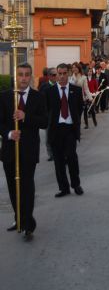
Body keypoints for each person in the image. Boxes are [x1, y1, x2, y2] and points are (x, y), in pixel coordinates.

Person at [0, 63, 48, 239]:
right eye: (20, 74)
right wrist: (9, 133)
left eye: (27, 74)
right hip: (9, 150)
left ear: (31, 76)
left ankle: (28, 223)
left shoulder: (38, 97)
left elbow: (44, 122)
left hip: (28, 150)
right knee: (13, 187)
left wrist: (26, 116)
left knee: (27, 186)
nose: (23, 78)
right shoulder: (4, 97)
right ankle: (18, 217)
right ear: (15, 76)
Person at [45, 63, 84, 198]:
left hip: (70, 129)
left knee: (72, 157)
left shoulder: (76, 90)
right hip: (56, 130)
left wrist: (74, 123)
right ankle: (64, 188)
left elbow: (80, 108)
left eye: (63, 73)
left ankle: (76, 184)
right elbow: (46, 110)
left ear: (68, 73)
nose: (61, 76)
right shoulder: (49, 92)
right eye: (58, 74)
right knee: (58, 161)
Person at [39, 67, 57, 160]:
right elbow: (40, 101)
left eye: (56, 74)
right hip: (48, 116)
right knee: (49, 136)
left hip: (59, 115)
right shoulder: (44, 87)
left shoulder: (60, 86)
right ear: (49, 76)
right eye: (54, 75)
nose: (56, 77)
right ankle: (51, 154)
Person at [70, 62, 93, 129]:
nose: (74, 69)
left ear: (79, 68)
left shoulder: (83, 77)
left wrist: (90, 98)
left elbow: (86, 89)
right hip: (72, 98)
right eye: (73, 67)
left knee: (79, 115)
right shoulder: (70, 77)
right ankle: (75, 128)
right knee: (74, 115)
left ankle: (78, 129)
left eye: (75, 67)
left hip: (80, 98)